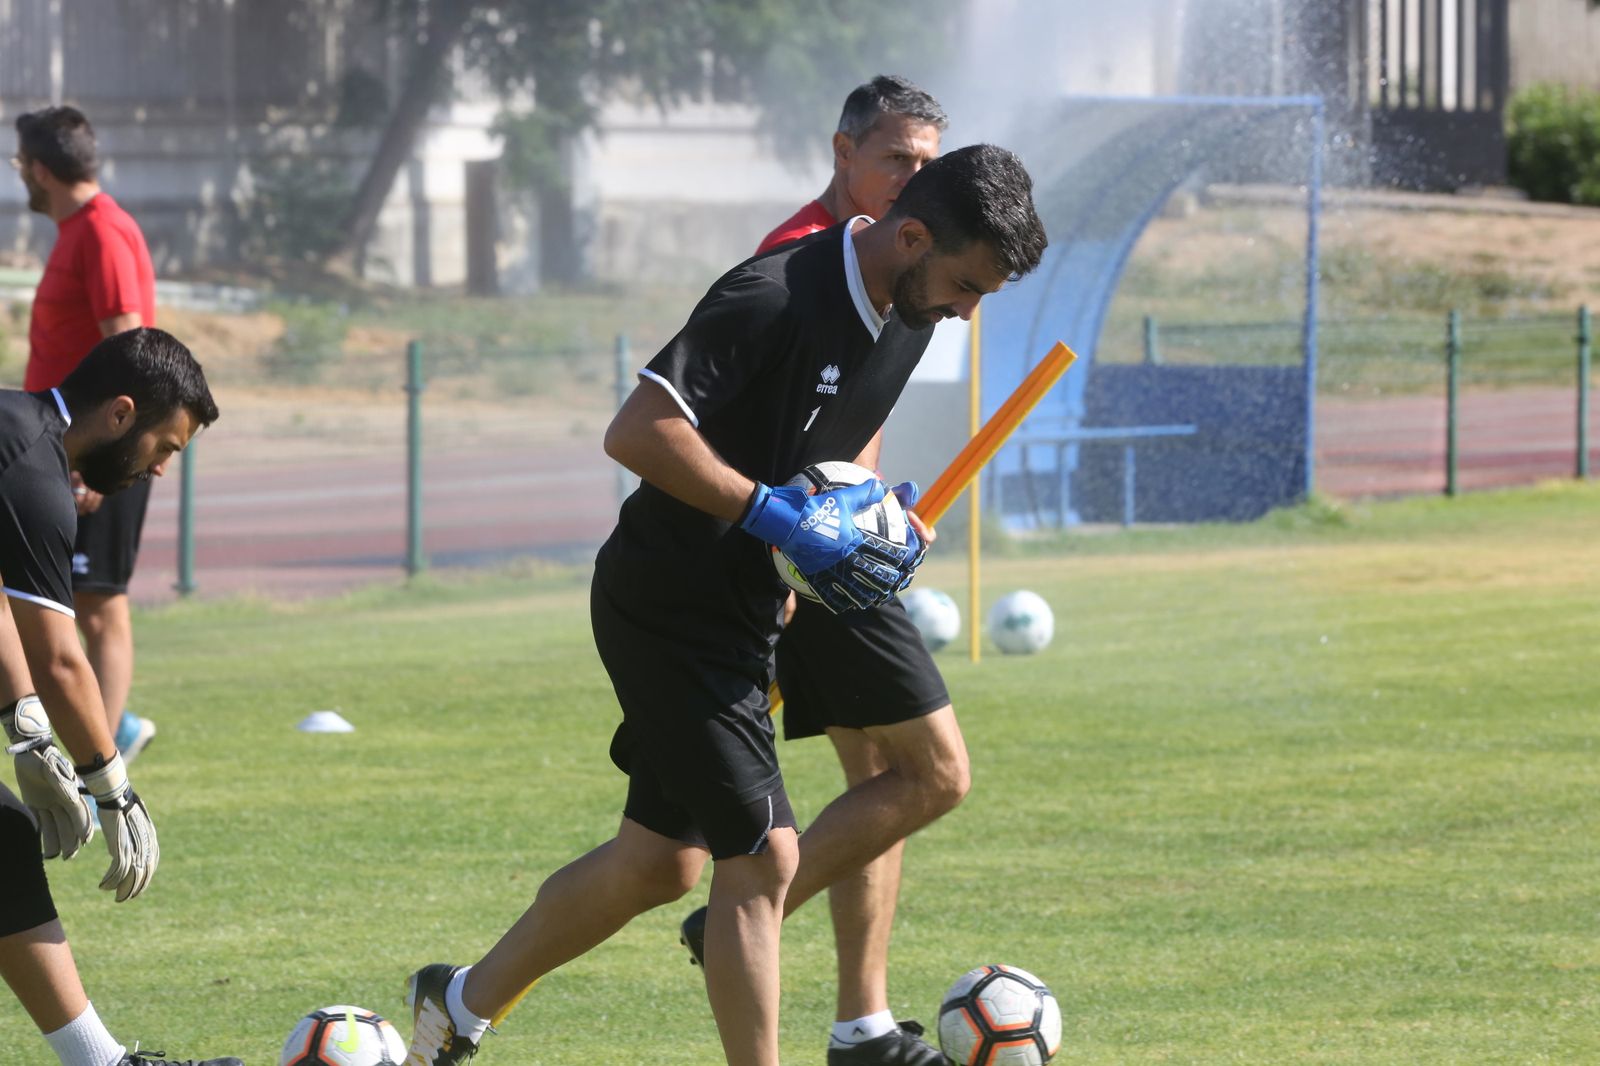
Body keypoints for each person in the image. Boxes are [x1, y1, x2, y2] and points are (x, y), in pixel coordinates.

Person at [402, 143, 1046, 1066]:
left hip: (750, 615)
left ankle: (458, 1003)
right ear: (912, 238)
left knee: (658, 863)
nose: (967, 312)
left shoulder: (911, 316)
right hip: (667, 603)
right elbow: (637, 431)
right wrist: (773, 515)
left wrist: (873, 520)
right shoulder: (773, 294)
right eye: (966, 286)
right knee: (764, 856)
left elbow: (846, 440)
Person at [678, 73, 959, 1066]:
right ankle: (744, 920)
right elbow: (755, 435)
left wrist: (880, 510)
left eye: (927, 164)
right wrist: (803, 548)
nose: (913, 180)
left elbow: (853, 421)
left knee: (878, 774)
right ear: (844, 154)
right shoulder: (798, 259)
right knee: (933, 772)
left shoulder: (907, 259)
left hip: (838, 542)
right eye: (896, 160)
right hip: (797, 554)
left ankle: (861, 1025)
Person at [0, 327, 234, 1065]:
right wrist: (113, 788)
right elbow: (61, 659)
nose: (160, 468)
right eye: (165, 447)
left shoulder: (16, 432)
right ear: (122, 413)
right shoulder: (34, 472)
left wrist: (24, 725)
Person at [14, 106, 160, 765]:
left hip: (93, 453)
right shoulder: (78, 230)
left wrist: (104, 460)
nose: (20, 175)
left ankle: (106, 760)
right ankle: (108, 729)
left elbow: (128, 346)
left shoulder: (101, 230)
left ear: (40, 170)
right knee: (61, 599)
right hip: (59, 451)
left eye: (20, 164)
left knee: (97, 603)